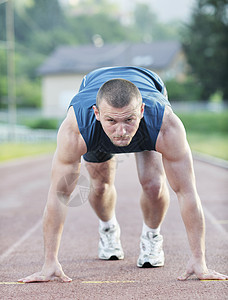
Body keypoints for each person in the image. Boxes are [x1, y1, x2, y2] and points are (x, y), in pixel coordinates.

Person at [18, 66, 227, 283]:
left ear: (142, 111)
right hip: (94, 101)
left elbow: (186, 191)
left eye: (129, 120)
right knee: (99, 186)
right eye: (112, 121)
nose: (121, 131)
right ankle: (108, 228)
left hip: (149, 93)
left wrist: (199, 259)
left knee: (154, 184)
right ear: (97, 113)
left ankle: (152, 235)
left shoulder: (165, 125)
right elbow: (59, 195)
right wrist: (49, 263)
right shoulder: (77, 129)